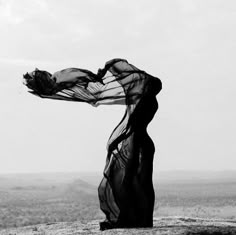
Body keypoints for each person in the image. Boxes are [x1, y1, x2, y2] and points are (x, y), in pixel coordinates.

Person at [23, 58, 162, 230]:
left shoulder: (143, 100)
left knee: (135, 181)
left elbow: (133, 126)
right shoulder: (145, 99)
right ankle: (136, 219)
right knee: (135, 181)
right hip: (139, 143)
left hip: (137, 143)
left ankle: (135, 219)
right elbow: (133, 126)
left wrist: (115, 143)